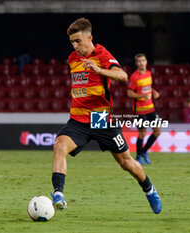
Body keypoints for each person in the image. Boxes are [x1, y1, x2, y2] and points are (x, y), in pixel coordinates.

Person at [51, 18, 161, 214]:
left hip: (101, 119)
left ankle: (149, 189)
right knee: (59, 145)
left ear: (89, 37)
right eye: (72, 42)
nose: (75, 46)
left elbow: (123, 76)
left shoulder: (102, 55)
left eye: (78, 41)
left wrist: (99, 70)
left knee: (126, 163)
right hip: (78, 119)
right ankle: (58, 195)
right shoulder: (72, 59)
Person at [127, 53, 160, 165]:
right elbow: (129, 93)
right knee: (142, 133)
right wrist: (141, 96)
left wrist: (153, 91)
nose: (141, 63)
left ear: (146, 61)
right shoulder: (134, 76)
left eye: (143, 60)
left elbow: (147, 87)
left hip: (150, 108)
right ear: (136, 63)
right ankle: (138, 157)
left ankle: (144, 152)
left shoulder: (149, 73)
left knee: (157, 132)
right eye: (139, 61)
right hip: (139, 110)